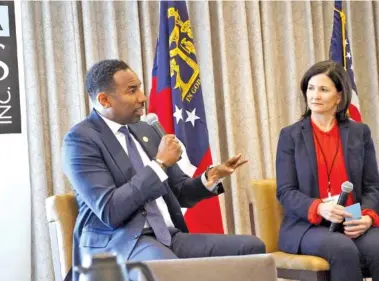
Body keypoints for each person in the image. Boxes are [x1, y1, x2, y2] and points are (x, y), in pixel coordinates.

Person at [62, 59, 265, 281]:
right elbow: (111, 210)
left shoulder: (145, 129)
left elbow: (178, 191)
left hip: (167, 236)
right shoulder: (80, 140)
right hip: (119, 242)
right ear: (104, 99)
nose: (143, 97)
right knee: (170, 272)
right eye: (132, 90)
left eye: (139, 87)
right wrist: (158, 164)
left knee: (252, 248)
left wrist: (210, 178)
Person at [275, 60, 379, 281]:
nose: (315, 95)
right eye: (310, 88)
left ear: (339, 96)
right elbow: (285, 191)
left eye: (323, 89)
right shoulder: (291, 135)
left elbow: (373, 186)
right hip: (306, 225)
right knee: (343, 249)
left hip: (353, 217)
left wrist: (368, 216)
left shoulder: (359, 132)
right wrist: (319, 207)